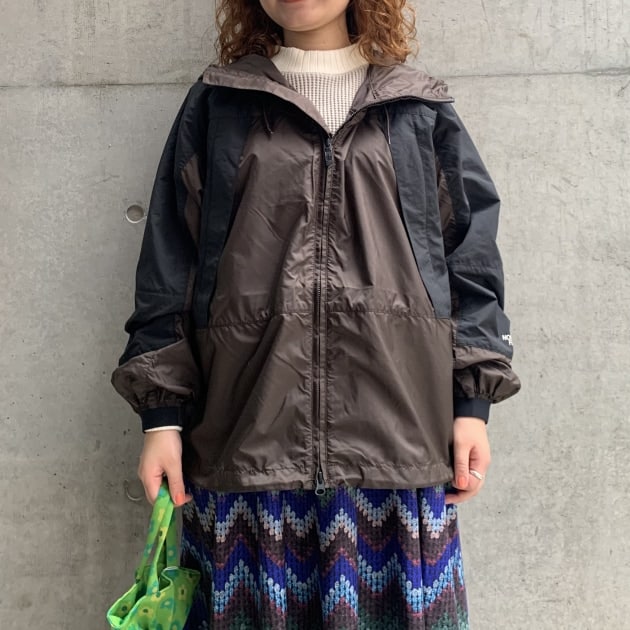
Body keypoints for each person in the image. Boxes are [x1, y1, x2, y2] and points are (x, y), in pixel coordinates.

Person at [111, 0, 521, 627]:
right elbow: (171, 263)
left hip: (396, 443)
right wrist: (160, 418)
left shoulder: (417, 108)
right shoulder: (220, 105)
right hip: (248, 442)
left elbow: (469, 261)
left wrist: (473, 404)